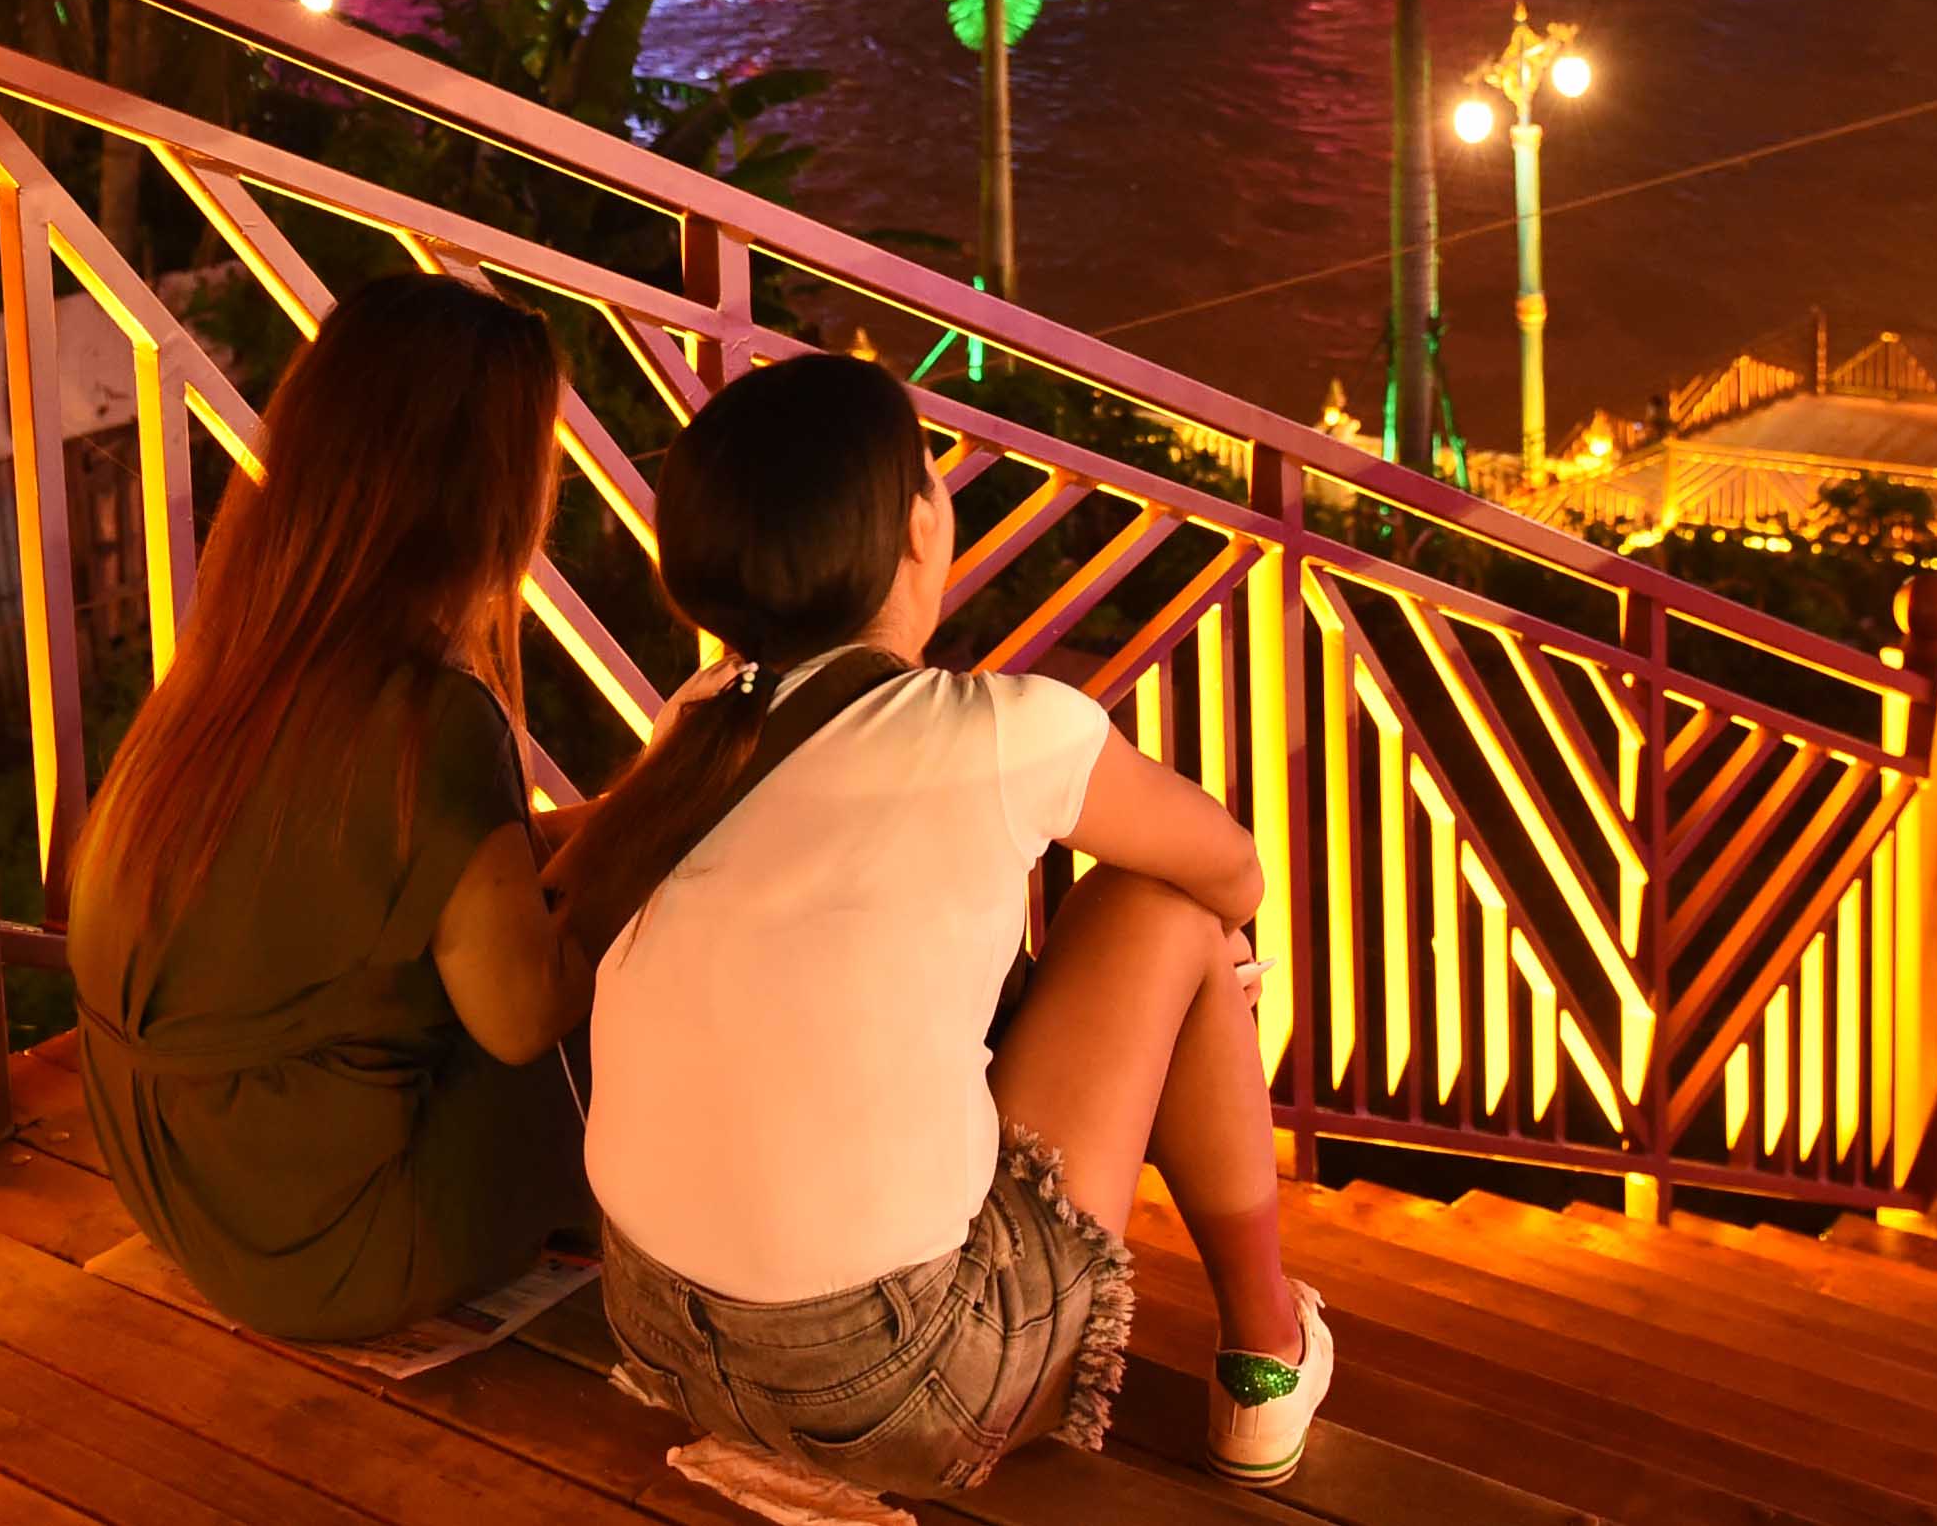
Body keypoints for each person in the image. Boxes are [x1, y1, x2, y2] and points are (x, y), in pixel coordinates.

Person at [553, 352, 1332, 1496]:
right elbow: (1235, 866)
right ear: (916, 527)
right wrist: (1220, 976)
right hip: (896, 1383)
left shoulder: (699, 724)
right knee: (1166, 907)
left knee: (1164, 930)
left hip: (661, 1331)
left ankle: (1265, 1354)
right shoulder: (1004, 731)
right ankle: (1265, 1358)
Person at [65, 270, 592, 1341]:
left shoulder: (243, 656)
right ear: (489, 489)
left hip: (180, 1174)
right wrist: (658, 848)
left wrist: (621, 819)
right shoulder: (429, 716)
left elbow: (434, 883)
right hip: (325, 1240)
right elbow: (525, 1012)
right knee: (653, 969)